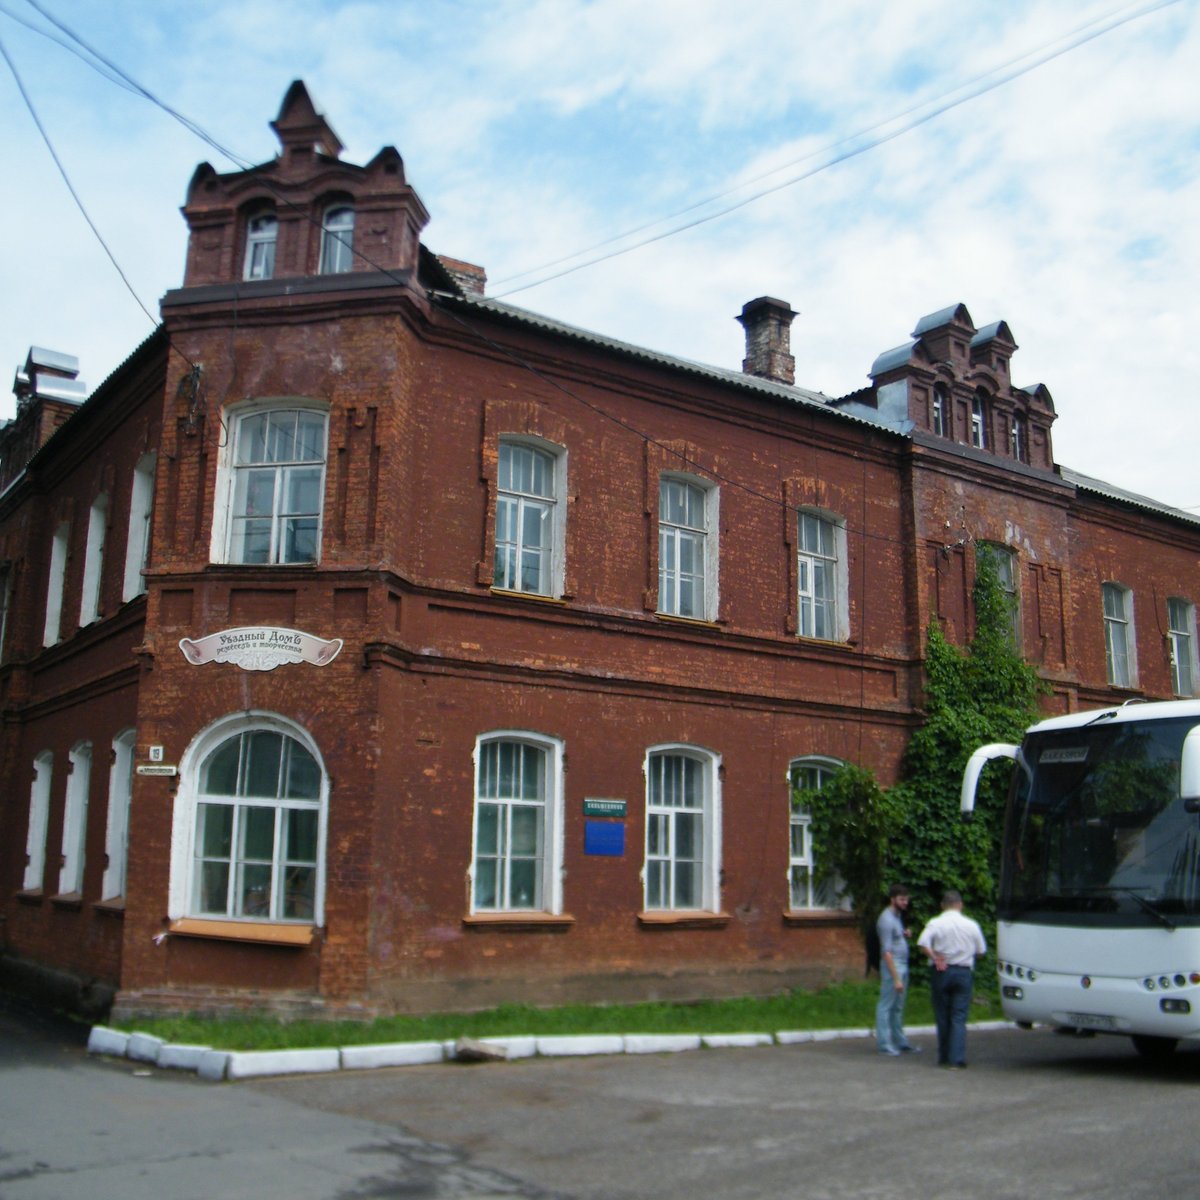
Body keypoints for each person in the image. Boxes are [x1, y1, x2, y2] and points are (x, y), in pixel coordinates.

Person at [918, 890, 987, 1069]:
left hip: (942, 970)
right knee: (958, 1016)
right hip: (963, 971)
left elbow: (923, 943)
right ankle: (956, 1059)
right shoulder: (971, 925)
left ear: (942, 905)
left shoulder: (936, 922)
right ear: (960, 904)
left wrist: (935, 957)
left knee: (942, 1015)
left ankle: (944, 1056)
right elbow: (981, 952)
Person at [875, 883, 917, 1056]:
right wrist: (896, 978)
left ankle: (900, 1041)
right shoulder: (885, 919)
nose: (905, 902)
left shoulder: (897, 916)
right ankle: (884, 1043)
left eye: (906, 899)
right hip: (894, 965)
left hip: (903, 964)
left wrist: (904, 934)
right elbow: (886, 952)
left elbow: (895, 937)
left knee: (898, 1006)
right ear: (892, 899)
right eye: (901, 899)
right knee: (886, 1004)